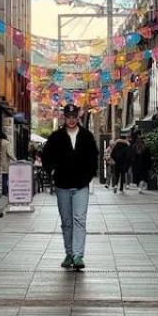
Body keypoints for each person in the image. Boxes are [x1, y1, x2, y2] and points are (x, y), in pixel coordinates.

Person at [41, 104, 100, 271]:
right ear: (64, 118)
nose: (72, 120)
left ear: (78, 117)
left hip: (81, 185)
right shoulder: (56, 137)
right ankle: (69, 253)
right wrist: (51, 172)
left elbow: (94, 157)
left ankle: (78, 255)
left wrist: (88, 175)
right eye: (69, 117)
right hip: (62, 185)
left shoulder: (87, 136)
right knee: (66, 222)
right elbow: (46, 156)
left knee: (79, 220)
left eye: (74, 117)